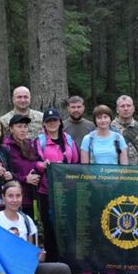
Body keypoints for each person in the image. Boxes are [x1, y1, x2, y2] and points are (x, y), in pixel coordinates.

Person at [80, 104, 128, 274]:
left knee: (112, 226)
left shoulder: (118, 138)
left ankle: (110, 266)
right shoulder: (88, 139)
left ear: (110, 118)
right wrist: (96, 183)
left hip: (115, 188)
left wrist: (116, 182)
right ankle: (89, 267)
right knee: (92, 227)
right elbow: (84, 166)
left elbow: (124, 165)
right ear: (95, 120)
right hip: (94, 188)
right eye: (99, 117)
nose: (102, 120)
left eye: (105, 117)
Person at [35, 107, 80, 262]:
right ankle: (52, 260)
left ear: (60, 122)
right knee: (49, 226)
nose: (52, 123)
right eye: (49, 121)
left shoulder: (68, 140)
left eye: (55, 120)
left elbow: (76, 162)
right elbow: (36, 163)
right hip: (47, 191)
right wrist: (44, 165)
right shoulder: (40, 141)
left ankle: (68, 259)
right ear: (44, 124)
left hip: (67, 190)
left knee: (67, 224)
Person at [3, 115, 43, 217]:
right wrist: (25, 179)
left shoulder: (30, 144)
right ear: (11, 128)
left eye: (25, 126)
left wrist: (42, 166)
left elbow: (36, 163)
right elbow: (6, 174)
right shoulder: (5, 147)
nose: (23, 130)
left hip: (32, 196)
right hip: (14, 198)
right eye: (19, 126)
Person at [111, 95, 138, 166]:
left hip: (136, 173)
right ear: (117, 109)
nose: (126, 108)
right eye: (122, 106)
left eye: (128, 106)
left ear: (133, 108)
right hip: (114, 172)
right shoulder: (110, 128)